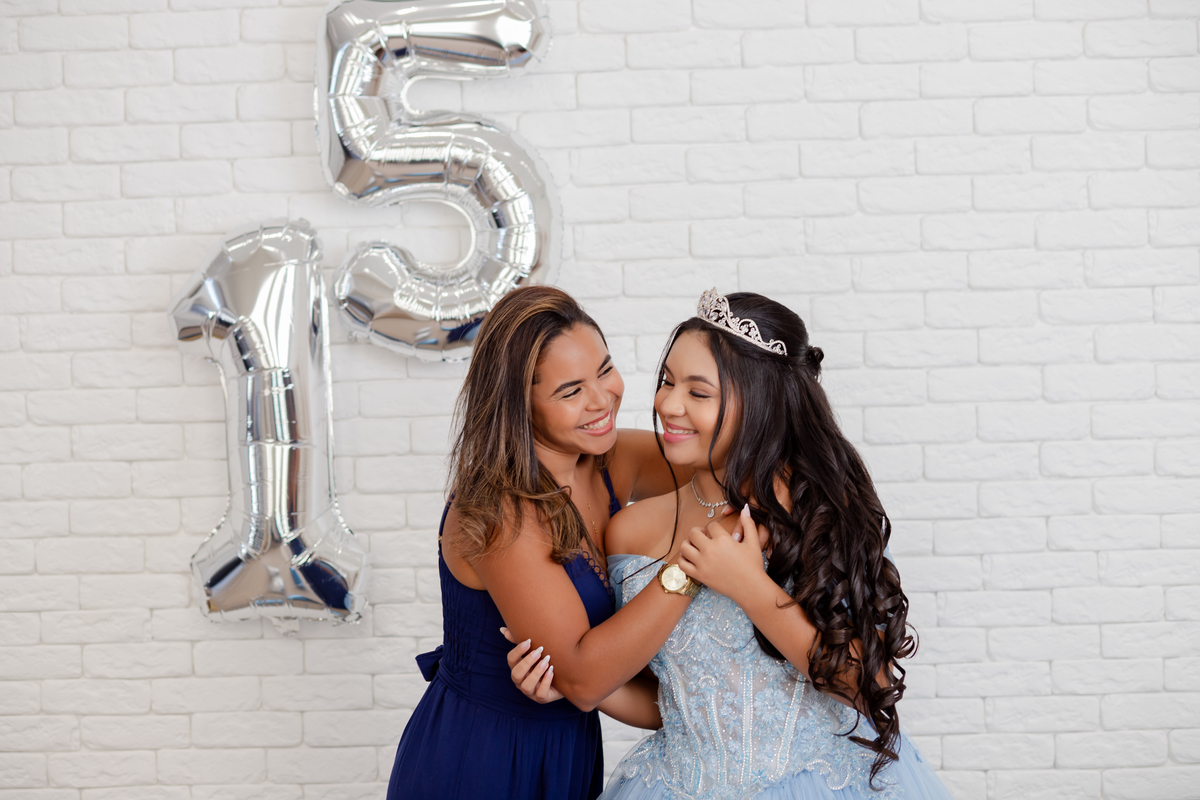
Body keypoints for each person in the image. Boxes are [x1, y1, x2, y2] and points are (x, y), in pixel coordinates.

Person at [517, 290, 954, 799]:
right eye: (667, 381)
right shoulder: (631, 531)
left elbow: (868, 685)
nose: (668, 405)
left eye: (698, 393)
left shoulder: (818, 515)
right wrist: (580, 687)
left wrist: (750, 586)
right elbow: (678, 705)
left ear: (760, 405)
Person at [386, 285, 743, 800]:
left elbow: (733, 466)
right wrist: (690, 566)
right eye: (571, 391)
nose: (602, 399)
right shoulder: (501, 510)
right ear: (519, 406)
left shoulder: (607, 460)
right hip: (483, 757)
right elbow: (584, 679)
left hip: (567, 748)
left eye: (605, 370)